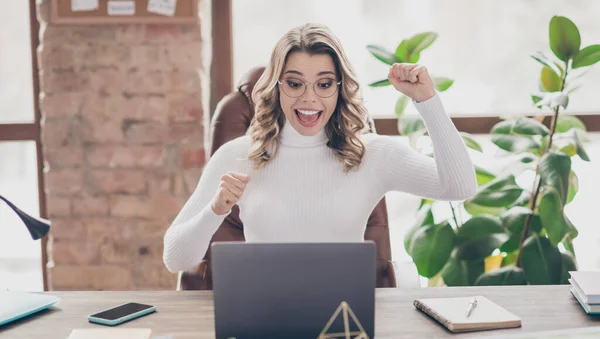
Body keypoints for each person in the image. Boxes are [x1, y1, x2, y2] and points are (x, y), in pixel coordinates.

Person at [163, 23, 476, 273]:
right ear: (277, 86)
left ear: (340, 88)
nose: (309, 99)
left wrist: (427, 101)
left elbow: (460, 186)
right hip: (263, 321)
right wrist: (215, 210)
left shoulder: (374, 155)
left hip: (345, 324)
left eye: (324, 84)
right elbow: (174, 259)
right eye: (295, 83)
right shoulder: (236, 155)